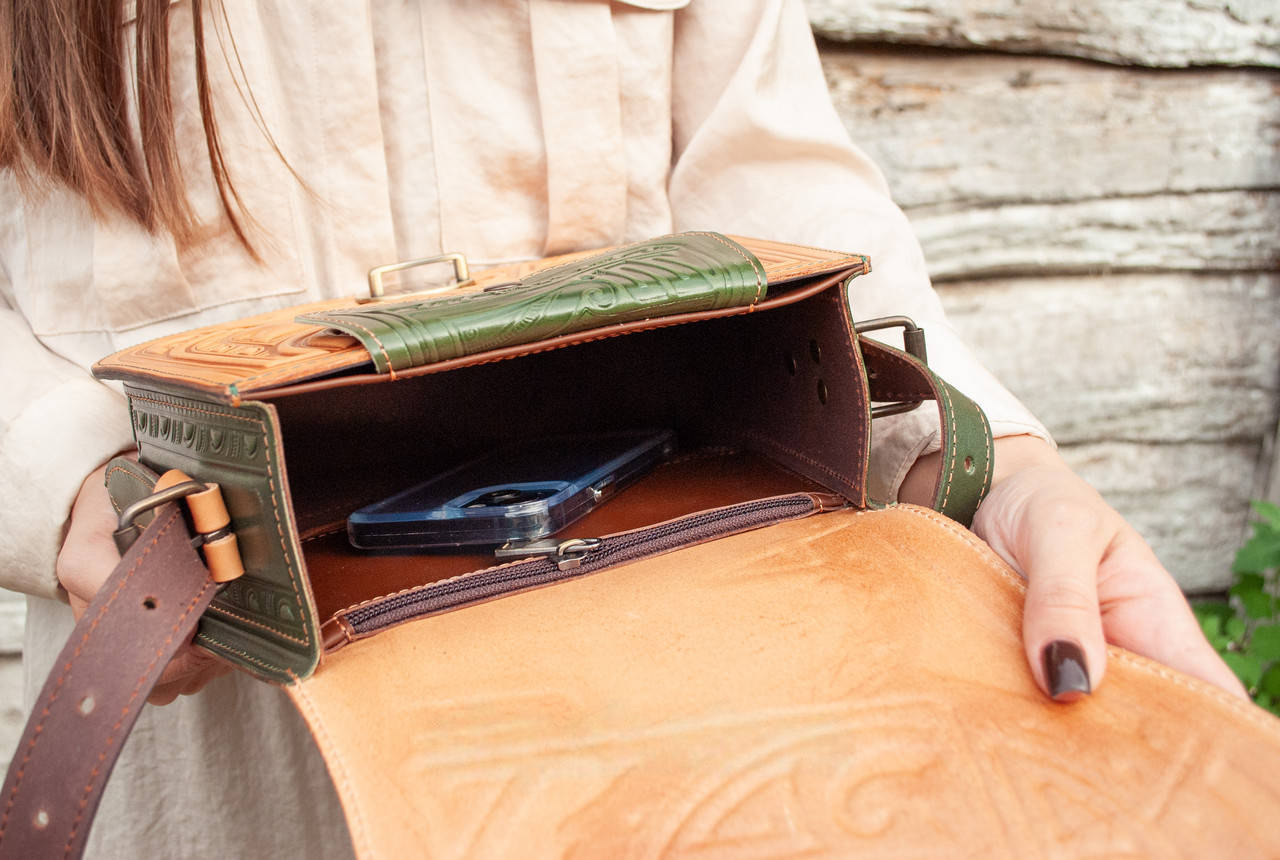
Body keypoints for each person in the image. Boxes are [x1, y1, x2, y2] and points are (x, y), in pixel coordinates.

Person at [0, 0, 1246, 856]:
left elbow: (772, 189)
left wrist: (990, 458)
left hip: (672, 752)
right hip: (222, 761)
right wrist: (59, 484)